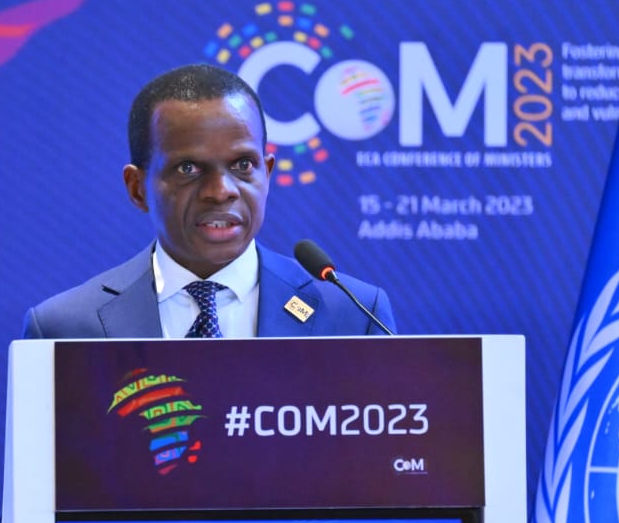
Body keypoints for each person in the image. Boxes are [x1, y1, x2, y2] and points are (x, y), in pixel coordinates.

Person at [22, 63, 395, 339]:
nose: (220, 191)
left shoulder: (354, 316)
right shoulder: (64, 327)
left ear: (267, 173)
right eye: (188, 168)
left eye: (243, 165)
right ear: (137, 188)